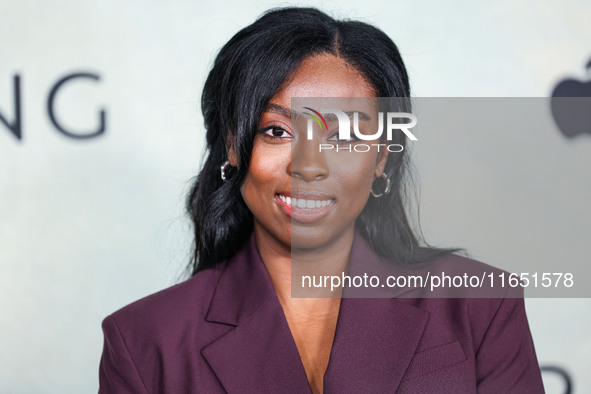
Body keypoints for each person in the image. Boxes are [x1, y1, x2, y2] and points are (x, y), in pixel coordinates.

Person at [99, 7, 544, 393]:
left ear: (381, 159)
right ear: (234, 147)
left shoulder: (478, 305)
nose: (309, 166)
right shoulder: (145, 340)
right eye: (278, 131)